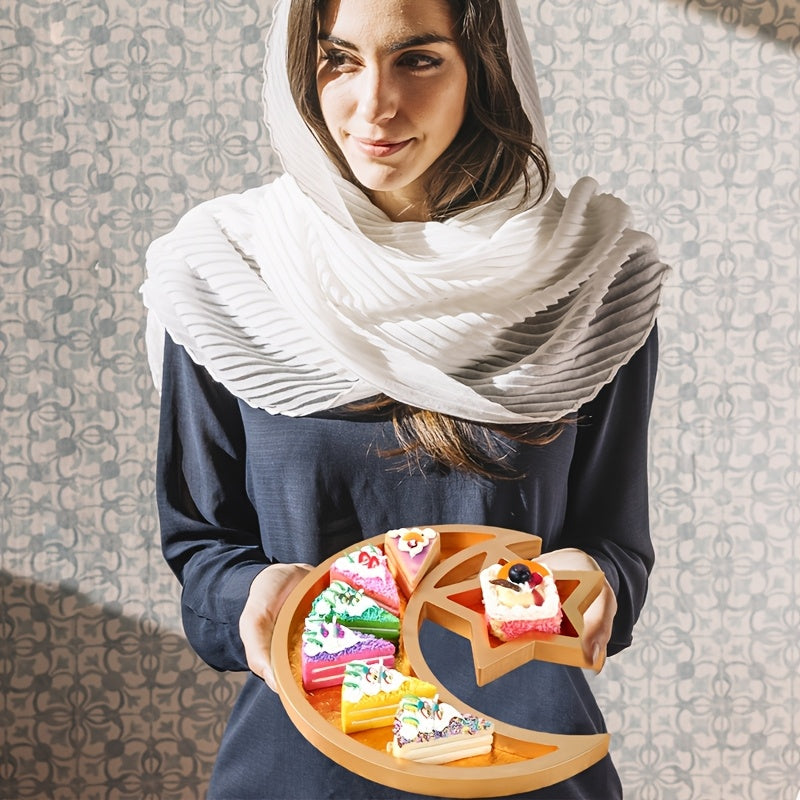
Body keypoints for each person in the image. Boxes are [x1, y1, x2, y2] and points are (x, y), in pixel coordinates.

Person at [142, 0, 669, 797]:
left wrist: (585, 580)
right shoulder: (224, 273)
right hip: (304, 767)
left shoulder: (587, 277)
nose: (374, 104)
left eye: (417, 59)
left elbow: (617, 546)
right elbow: (204, 543)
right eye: (339, 59)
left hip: (524, 764)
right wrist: (257, 593)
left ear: (482, 69)